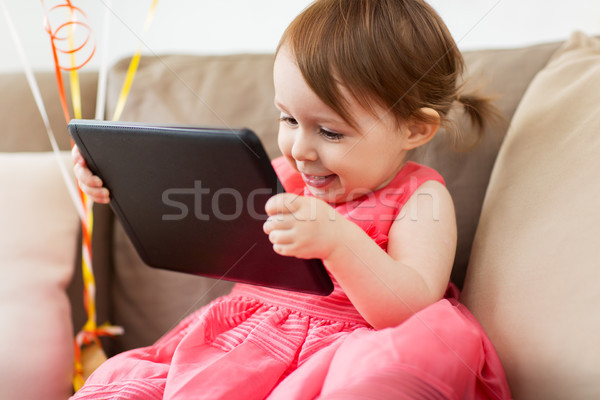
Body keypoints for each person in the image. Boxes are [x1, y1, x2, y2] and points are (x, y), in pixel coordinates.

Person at [71, 0, 511, 398]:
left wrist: (339, 242)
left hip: (344, 352)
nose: (299, 149)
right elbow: (188, 213)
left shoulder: (419, 197)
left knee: (377, 382)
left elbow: (409, 309)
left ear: (414, 129)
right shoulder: (281, 178)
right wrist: (116, 179)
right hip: (244, 346)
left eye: (331, 131)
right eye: (288, 118)